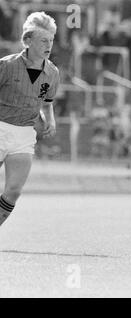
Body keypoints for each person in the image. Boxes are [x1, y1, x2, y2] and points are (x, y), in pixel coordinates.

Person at [0, 12, 59, 227]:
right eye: (43, 40)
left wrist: (49, 119)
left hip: (24, 134)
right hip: (0, 127)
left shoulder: (52, 73)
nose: (49, 45)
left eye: (51, 40)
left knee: (14, 190)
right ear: (28, 40)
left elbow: (46, 102)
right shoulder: (6, 65)